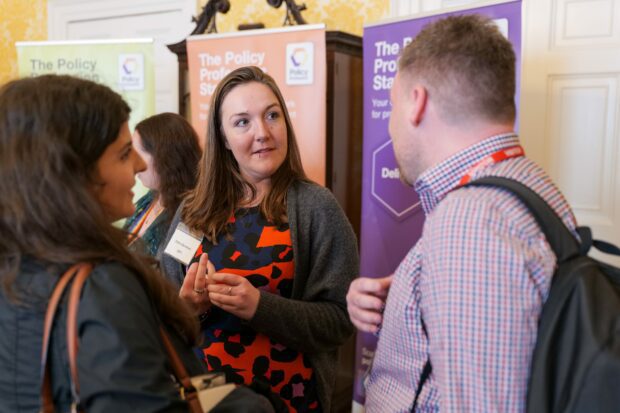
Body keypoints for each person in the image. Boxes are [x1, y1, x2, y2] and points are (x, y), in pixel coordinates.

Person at [346, 15, 578, 412]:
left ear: (416, 102)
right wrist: (411, 292)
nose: (389, 124)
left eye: (390, 104)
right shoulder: (528, 182)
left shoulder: (470, 225)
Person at [0, 74, 205, 412]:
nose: (139, 165)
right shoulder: (103, 285)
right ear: (72, 173)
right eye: (125, 154)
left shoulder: (15, 265)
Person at [160, 66, 358, 412]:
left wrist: (259, 307)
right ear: (222, 137)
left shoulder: (316, 207)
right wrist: (188, 310)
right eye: (242, 122)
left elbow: (340, 322)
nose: (263, 132)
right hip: (206, 396)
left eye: (272, 116)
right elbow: (162, 310)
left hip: (289, 397)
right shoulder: (193, 210)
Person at [124, 112, 201, 257]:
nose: (134, 165)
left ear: (166, 157)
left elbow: (173, 273)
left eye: (138, 154)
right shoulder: (149, 198)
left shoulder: (193, 214)